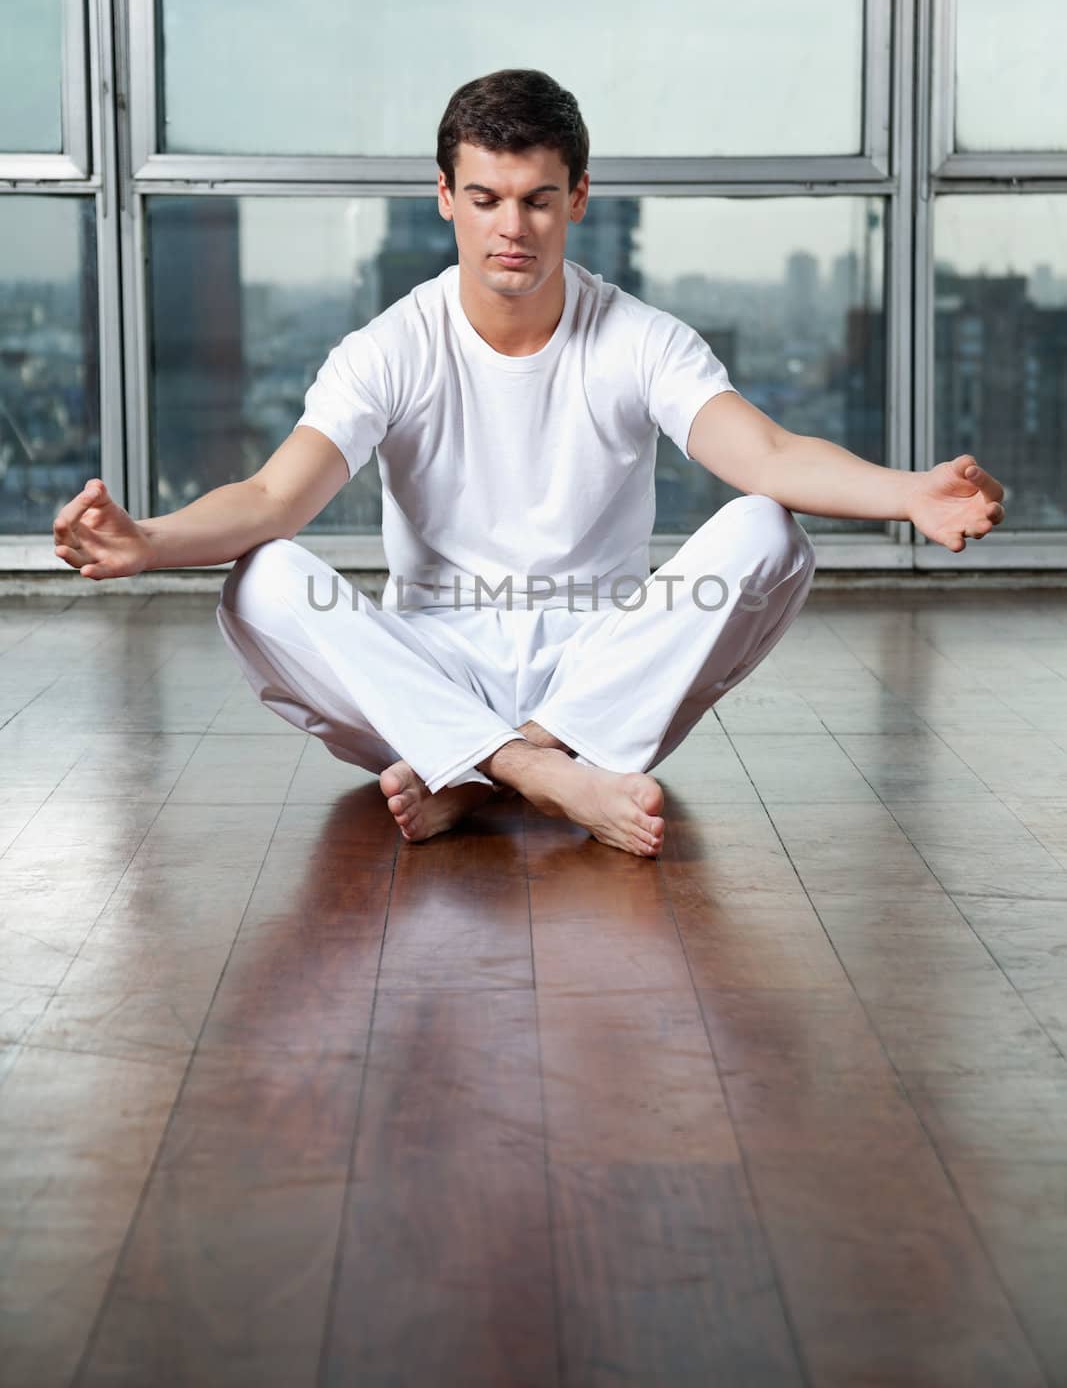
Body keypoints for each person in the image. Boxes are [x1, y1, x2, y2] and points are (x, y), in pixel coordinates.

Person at [52, 69, 1006, 858]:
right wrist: (151, 539)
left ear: (576, 198)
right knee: (260, 580)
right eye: (485, 199)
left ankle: (478, 771)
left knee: (765, 528)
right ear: (446, 199)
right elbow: (272, 495)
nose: (512, 227)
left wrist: (907, 493)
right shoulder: (391, 345)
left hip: (599, 672)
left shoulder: (637, 337)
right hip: (430, 668)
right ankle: (535, 772)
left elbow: (762, 451)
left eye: (537, 200)